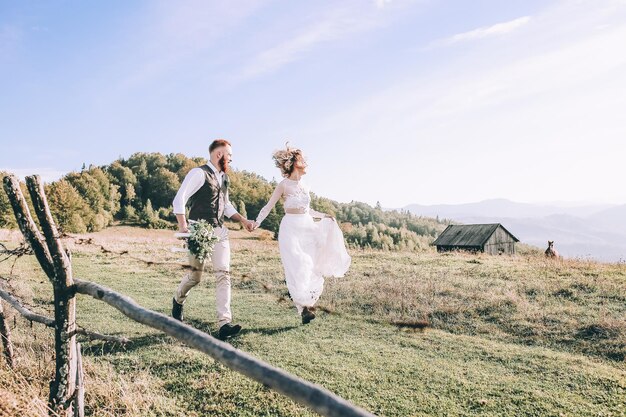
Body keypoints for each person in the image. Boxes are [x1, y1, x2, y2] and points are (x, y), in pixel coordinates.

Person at [253, 145, 351, 324]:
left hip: (307, 228)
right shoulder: (283, 185)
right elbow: (268, 206)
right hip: (291, 229)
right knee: (299, 264)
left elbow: (307, 210)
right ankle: (303, 307)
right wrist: (256, 223)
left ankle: (307, 306)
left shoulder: (305, 186)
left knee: (312, 265)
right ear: (293, 163)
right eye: (303, 160)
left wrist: (324, 216)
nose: (306, 163)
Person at [171, 139, 255, 340]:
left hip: (220, 232)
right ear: (219, 155)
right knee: (195, 277)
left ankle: (224, 323)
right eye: (230, 156)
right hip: (198, 231)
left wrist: (243, 220)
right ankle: (177, 300)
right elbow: (179, 198)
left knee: (223, 273)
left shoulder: (225, 178)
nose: (231, 160)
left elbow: (226, 205)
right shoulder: (198, 173)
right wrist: (183, 226)